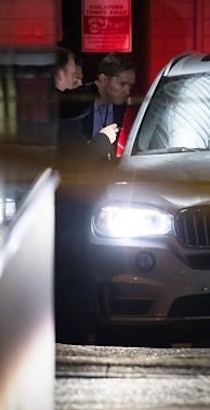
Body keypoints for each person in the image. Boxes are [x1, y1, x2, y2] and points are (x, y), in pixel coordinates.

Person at [54, 52, 136, 343]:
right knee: (74, 263)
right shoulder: (74, 104)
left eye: (130, 86)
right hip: (69, 197)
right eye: (122, 85)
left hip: (97, 192)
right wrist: (102, 141)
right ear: (102, 81)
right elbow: (76, 152)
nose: (127, 92)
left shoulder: (119, 106)